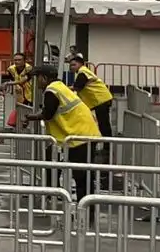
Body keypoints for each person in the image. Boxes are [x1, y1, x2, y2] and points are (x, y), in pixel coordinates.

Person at [24, 66, 102, 209]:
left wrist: (30, 117)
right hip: (80, 135)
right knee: (62, 167)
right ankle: (77, 204)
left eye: (38, 78)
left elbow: (48, 113)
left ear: (44, 78)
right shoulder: (60, 87)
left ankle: (85, 209)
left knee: (81, 176)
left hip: (79, 137)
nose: (37, 83)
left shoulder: (52, 90)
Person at [66, 55, 115, 137]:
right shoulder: (83, 72)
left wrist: (64, 88)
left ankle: (107, 146)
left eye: (74, 65)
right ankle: (105, 144)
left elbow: (77, 87)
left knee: (103, 124)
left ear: (81, 64)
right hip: (100, 99)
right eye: (70, 65)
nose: (71, 67)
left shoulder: (83, 72)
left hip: (100, 99)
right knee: (103, 123)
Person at [4, 52, 33, 117]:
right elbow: (13, 79)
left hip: (30, 93)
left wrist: (8, 83)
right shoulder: (11, 69)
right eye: (15, 60)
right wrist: (16, 86)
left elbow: (23, 80)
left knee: (31, 111)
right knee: (20, 112)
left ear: (24, 61)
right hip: (19, 94)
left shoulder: (29, 68)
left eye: (19, 60)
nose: (17, 62)